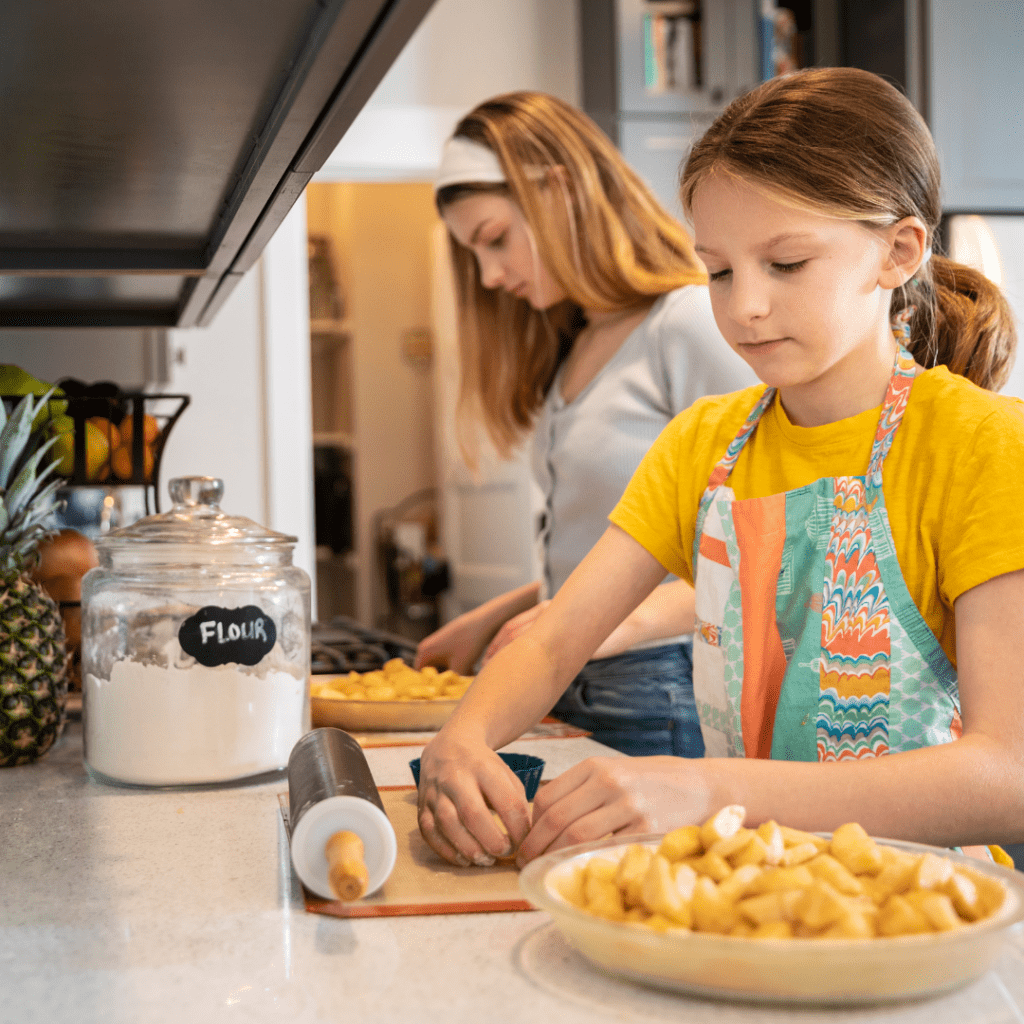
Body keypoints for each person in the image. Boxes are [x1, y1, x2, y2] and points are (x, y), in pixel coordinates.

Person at [416, 67, 1024, 871]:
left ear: (898, 251)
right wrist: (463, 736)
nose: (745, 309)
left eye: (787, 264)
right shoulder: (704, 444)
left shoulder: (983, 445)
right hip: (751, 890)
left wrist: (706, 791)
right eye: (721, 270)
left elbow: (1007, 772)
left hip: (929, 918)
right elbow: (554, 642)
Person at [415, 91, 756, 764]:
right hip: (576, 672)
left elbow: (766, 550)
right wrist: (496, 619)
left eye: (495, 240)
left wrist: (593, 626)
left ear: (559, 191)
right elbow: (619, 546)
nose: (488, 275)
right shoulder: (574, 345)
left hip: (657, 684)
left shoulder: (685, 324)